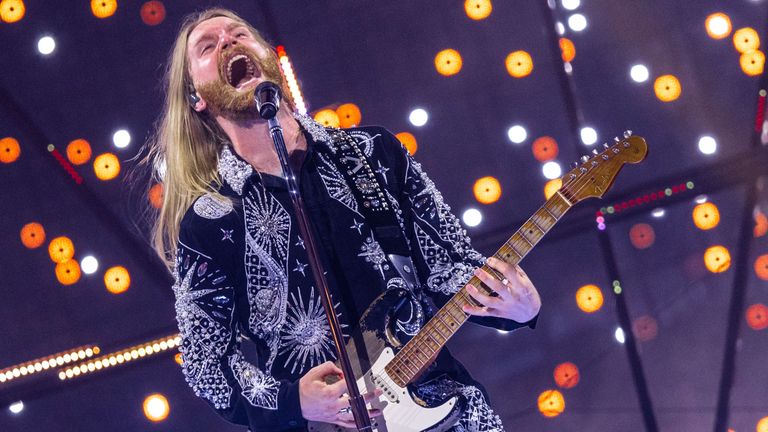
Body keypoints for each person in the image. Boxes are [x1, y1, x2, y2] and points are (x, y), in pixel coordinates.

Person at [146, 7, 541, 432]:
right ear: (197, 98)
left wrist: (516, 308)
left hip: (444, 408)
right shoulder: (207, 222)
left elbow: (445, 265)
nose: (228, 41)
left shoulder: (372, 153)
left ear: (267, 56)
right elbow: (207, 365)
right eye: (208, 46)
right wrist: (292, 400)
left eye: (239, 33)